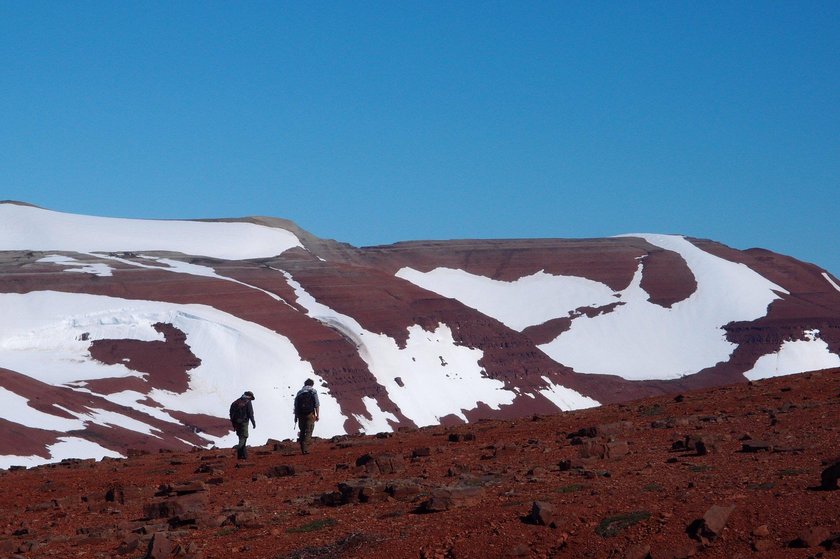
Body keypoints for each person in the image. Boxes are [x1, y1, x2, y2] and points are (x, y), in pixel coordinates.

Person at [294, 379, 320, 455]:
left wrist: (296, 417)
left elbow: (296, 406)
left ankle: (302, 444)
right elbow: (317, 404)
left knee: (302, 430)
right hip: (310, 414)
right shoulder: (313, 391)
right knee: (309, 430)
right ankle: (305, 447)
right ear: (312, 384)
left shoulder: (299, 392)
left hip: (300, 414)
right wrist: (317, 415)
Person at [229, 390, 256, 460]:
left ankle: (243, 455)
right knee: (244, 437)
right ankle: (239, 453)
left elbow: (231, 414)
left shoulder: (236, 402)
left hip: (236, 423)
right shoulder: (247, 402)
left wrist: (234, 424)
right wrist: (253, 423)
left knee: (241, 437)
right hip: (244, 422)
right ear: (250, 397)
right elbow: (250, 414)